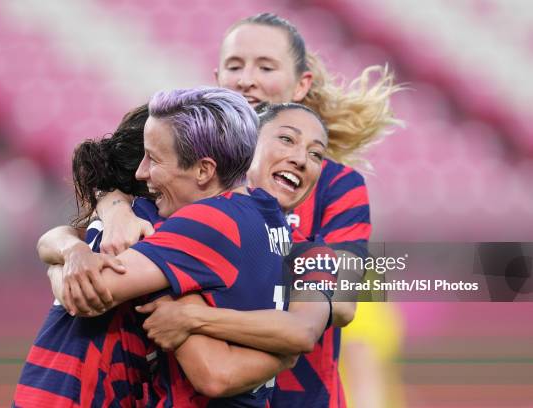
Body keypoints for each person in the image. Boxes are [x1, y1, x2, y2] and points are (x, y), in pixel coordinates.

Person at [93, 12, 401, 408]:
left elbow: (338, 305)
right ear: (217, 77)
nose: (247, 79)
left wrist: (194, 318)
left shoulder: (337, 185)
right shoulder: (191, 163)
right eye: (235, 66)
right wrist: (114, 209)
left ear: (302, 83)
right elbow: (108, 193)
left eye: (266, 66)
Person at [18, 88, 331, 407]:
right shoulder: (193, 222)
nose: (300, 159)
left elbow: (307, 332)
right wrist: (110, 208)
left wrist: (194, 317)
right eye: (286, 140)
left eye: (317, 153)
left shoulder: (323, 246)